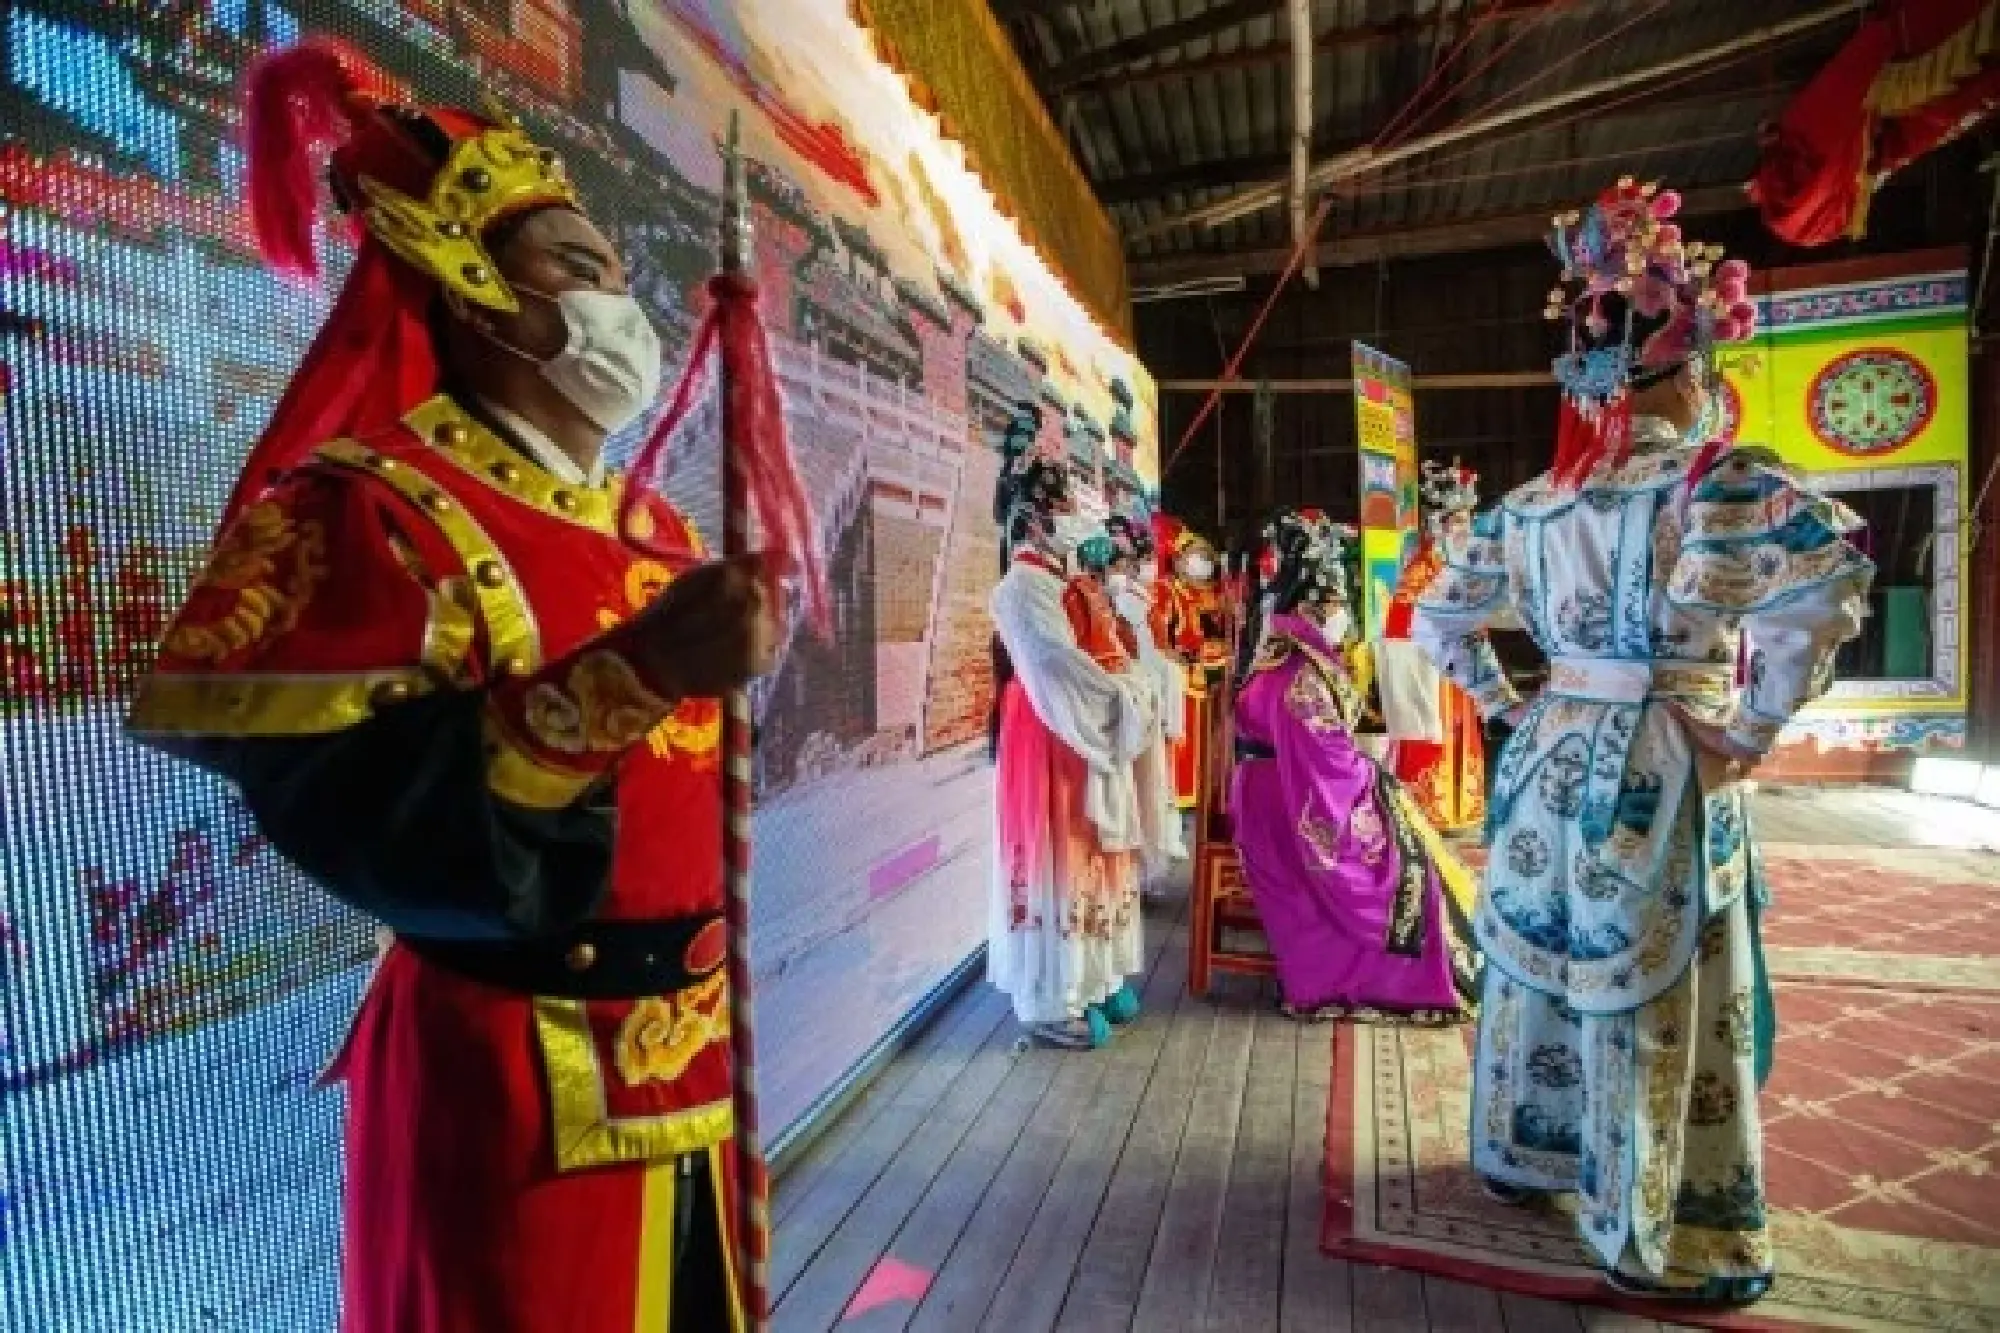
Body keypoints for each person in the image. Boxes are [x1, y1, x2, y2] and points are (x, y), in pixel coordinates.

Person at [126, 40, 787, 1332]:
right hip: (514, 1087)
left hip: (695, 1063)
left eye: (612, 266)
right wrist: (639, 673)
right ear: (476, 290)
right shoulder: (370, 517)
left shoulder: (652, 526)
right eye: (575, 266)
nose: (615, 297)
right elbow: (369, 813)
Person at [1409, 178, 1874, 1307]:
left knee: (1546, 956)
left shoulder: (1523, 504)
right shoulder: (1717, 482)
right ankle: (1647, 1222)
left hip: (1547, 754)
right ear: (1690, 360)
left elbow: (1436, 620)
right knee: (1649, 981)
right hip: (1660, 753)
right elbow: (1818, 593)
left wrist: (1507, 704)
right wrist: (1751, 727)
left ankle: (1528, 1152)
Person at [1229, 511, 1480, 1023]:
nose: (1343, 615)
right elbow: (1327, 769)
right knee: (1405, 864)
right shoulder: (1300, 676)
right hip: (1289, 805)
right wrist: (1373, 777)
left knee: (1408, 826)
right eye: (1337, 604)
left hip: (1276, 790)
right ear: (1313, 608)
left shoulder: (1285, 654)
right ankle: (1393, 977)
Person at [988, 440, 1146, 1049]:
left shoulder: (1067, 581)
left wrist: (1127, 686)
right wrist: (1119, 694)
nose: (1072, 517)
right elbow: (1055, 664)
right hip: (1053, 727)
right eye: (1060, 505)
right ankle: (1051, 997)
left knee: (1093, 850)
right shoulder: (1024, 586)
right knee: (1060, 850)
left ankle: (1096, 976)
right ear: (1033, 515)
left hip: (1083, 725)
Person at [1374, 461, 1488, 835]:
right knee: (1434, 732)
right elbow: (1402, 621)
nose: (1465, 529)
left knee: (1460, 730)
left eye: (1467, 521)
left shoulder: (1461, 566)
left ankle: (1460, 806)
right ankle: (1426, 805)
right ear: (1437, 525)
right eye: (1457, 521)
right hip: (1432, 669)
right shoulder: (1421, 570)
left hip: (1461, 666)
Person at [1106, 513, 1188, 892]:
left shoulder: (1142, 599)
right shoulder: (1124, 600)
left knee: (1154, 783)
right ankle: (1140, 869)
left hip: (1148, 694)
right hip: (1133, 697)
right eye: (1131, 561)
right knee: (1141, 786)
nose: (1145, 567)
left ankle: (1152, 860)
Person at [1151, 517, 1227, 810]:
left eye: (1206, 558)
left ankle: (1194, 795)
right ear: (1179, 559)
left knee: (1198, 744)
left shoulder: (1200, 596)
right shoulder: (1165, 591)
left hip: (1198, 679)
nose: (1202, 563)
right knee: (1182, 743)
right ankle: (1178, 798)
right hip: (1177, 679)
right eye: (1196, 557)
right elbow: (1162, 641)